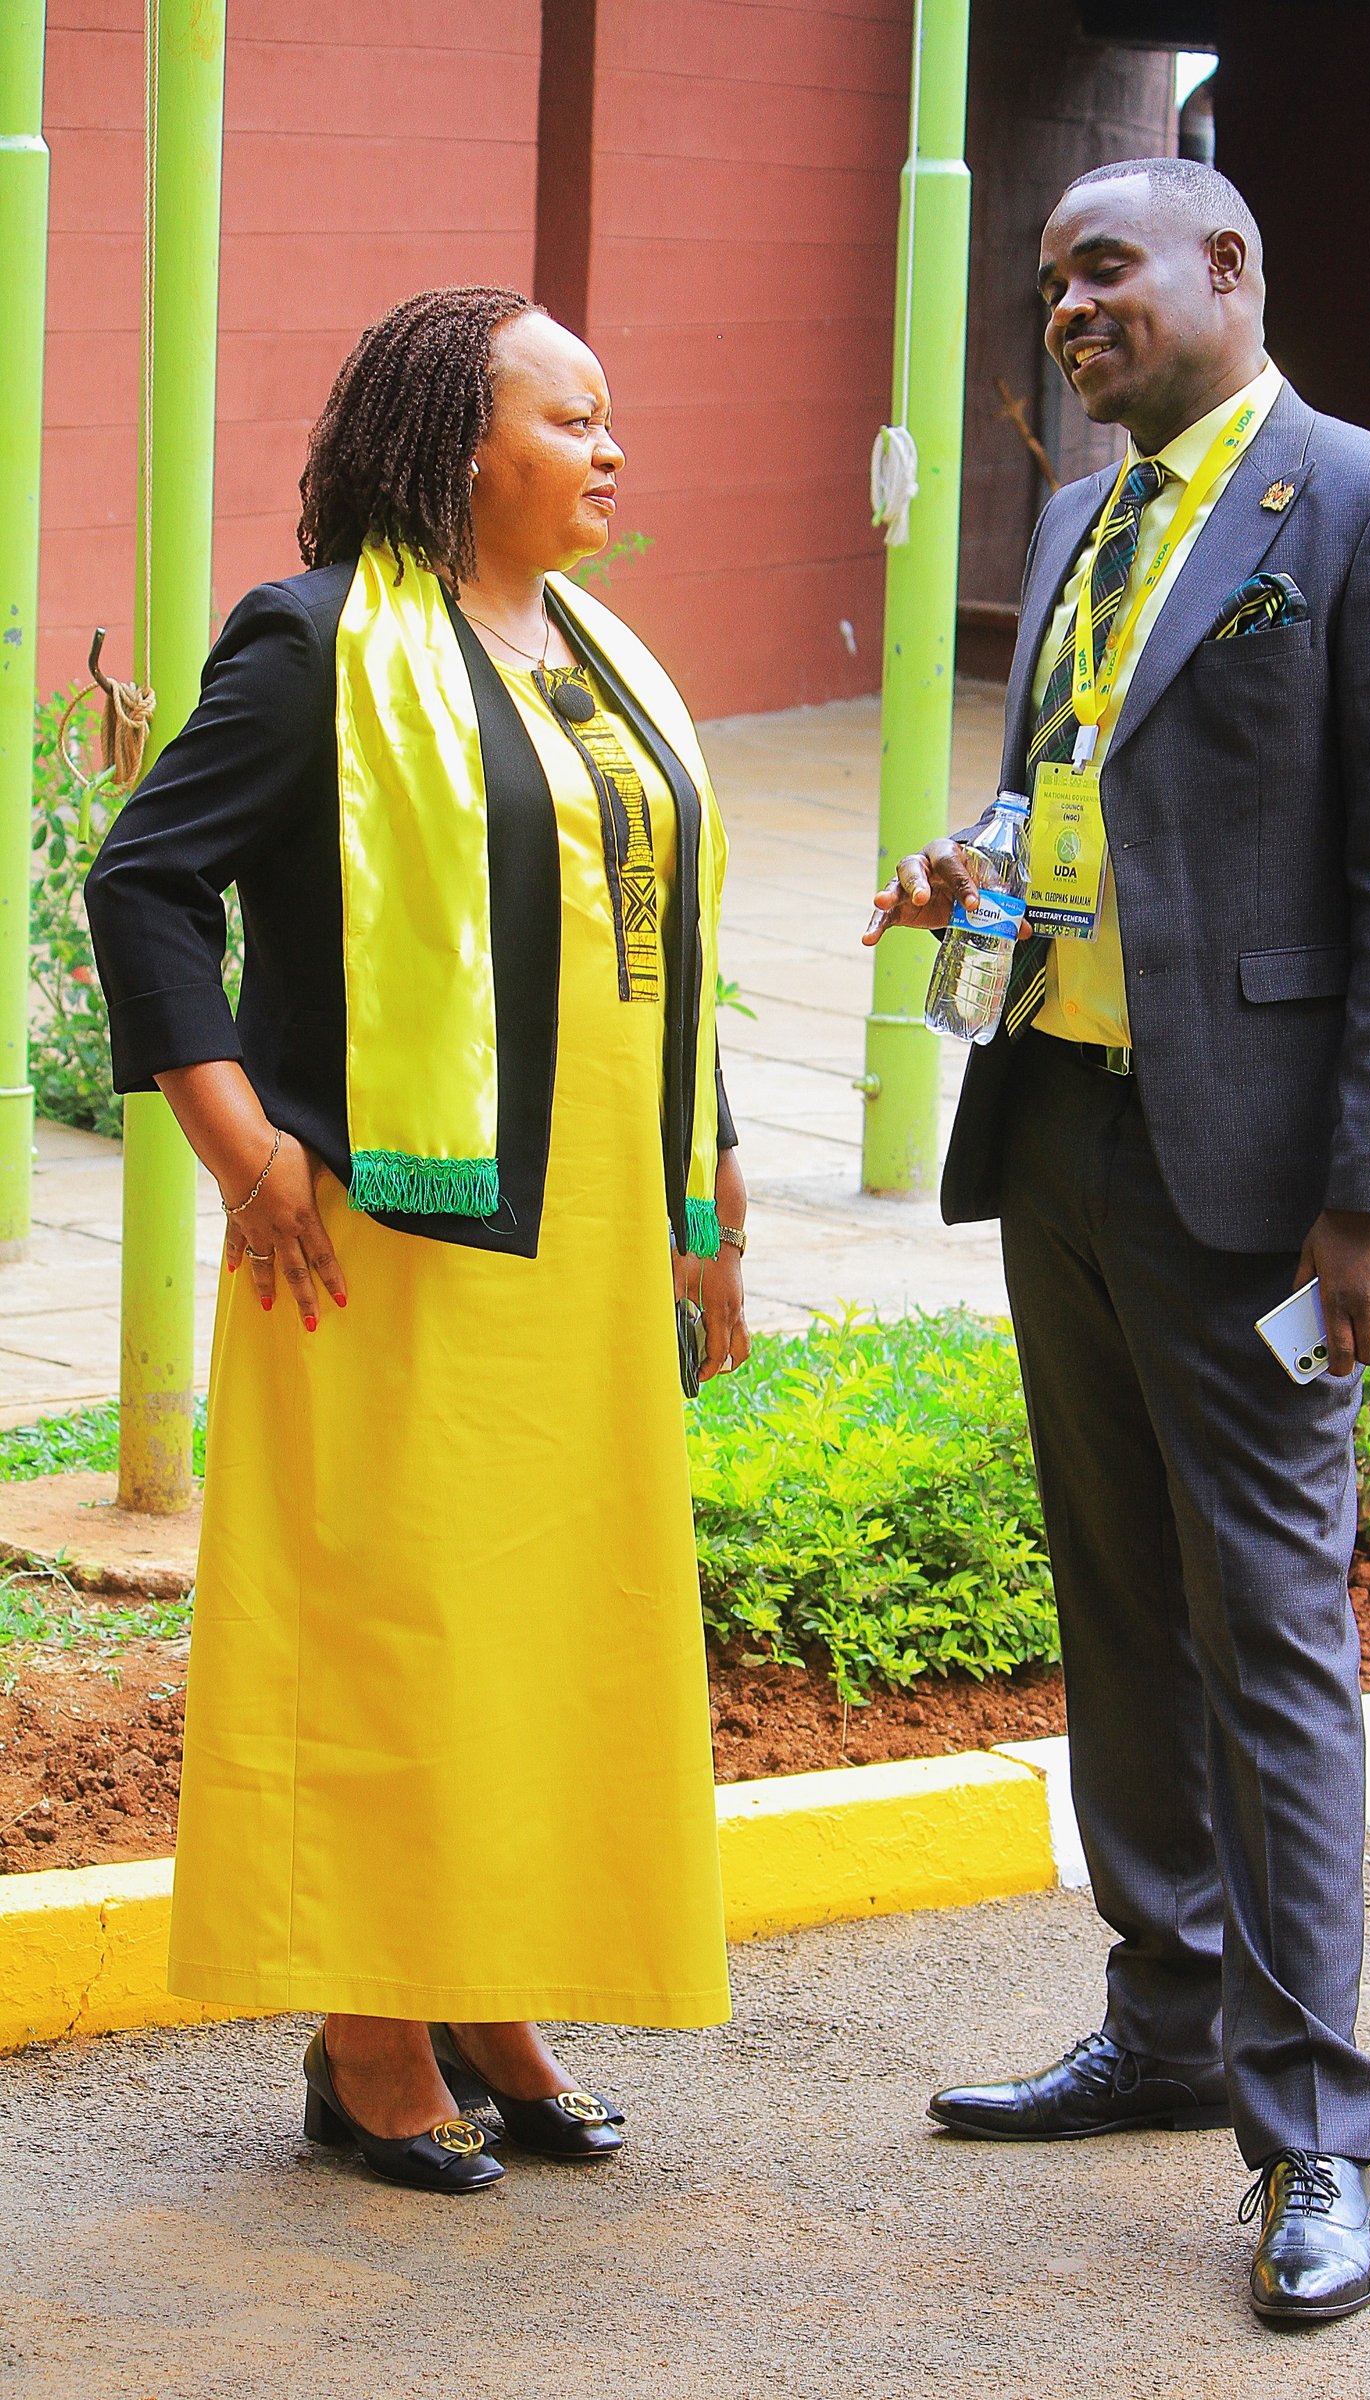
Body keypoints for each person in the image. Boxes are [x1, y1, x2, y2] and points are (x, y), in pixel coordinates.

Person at [865, 160, 1370, 2322]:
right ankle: (1159, 2024)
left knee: (1269, 1644)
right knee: (1119, 1606)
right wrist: (971, 862)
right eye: (1050, 282)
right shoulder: (1075, 521)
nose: (1068, 308)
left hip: (1257, 1182)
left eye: (1102, 267)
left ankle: (1311, 2128)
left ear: (1228, 266)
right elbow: (1072, 781)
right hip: (1057, 1130)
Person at [86, 288, 751, 2193]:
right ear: (465, 446)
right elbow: (147, 879)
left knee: (548, 1629)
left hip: (593, 1242)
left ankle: (487, 1988)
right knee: (397, 1626)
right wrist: (239, 1147)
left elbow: (654, 944)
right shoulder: (316, 644)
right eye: (572, 419)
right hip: (382, 1239)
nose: (611, 450)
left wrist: (706, 1202)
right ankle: (368, 2033)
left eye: (612, 419)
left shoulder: (607, 661)